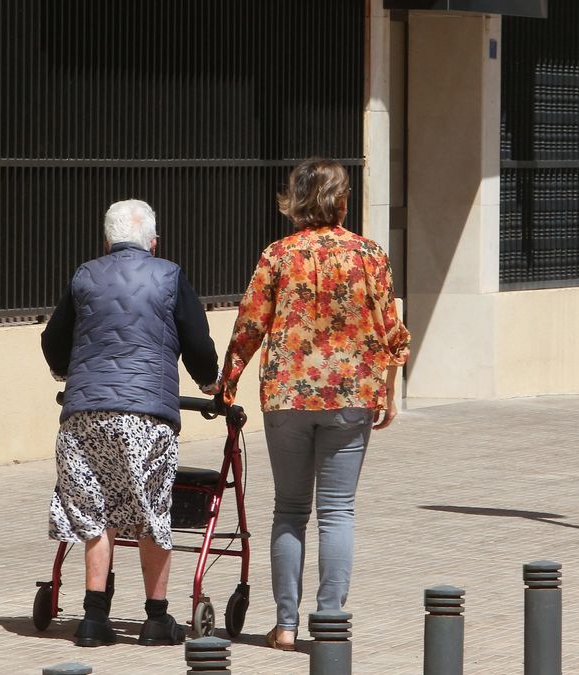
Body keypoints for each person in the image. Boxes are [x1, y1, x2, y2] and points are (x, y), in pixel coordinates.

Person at [218, 158, 410, 651]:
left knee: (289, 510)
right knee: (338, 511)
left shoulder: (278, 255)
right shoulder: (369, 254)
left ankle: (285, 626)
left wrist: (228, 381)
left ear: (296, 201)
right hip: (352, 395)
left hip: (287, 395)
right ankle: (329, 622)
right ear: (343, 202)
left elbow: (249, 325)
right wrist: (389, 387)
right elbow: (391, 328)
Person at [41, 199, 220, 648]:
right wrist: (209, 381)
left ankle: (93, 620)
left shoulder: (85, 274)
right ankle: (156, 620)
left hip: (85, 415)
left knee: (94, 511)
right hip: (146, 415)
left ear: (107, 241)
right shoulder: (170, 275)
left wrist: (68, 372)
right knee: (151, 510)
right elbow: (197, 340)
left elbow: (54, 338)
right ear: (154, 243)